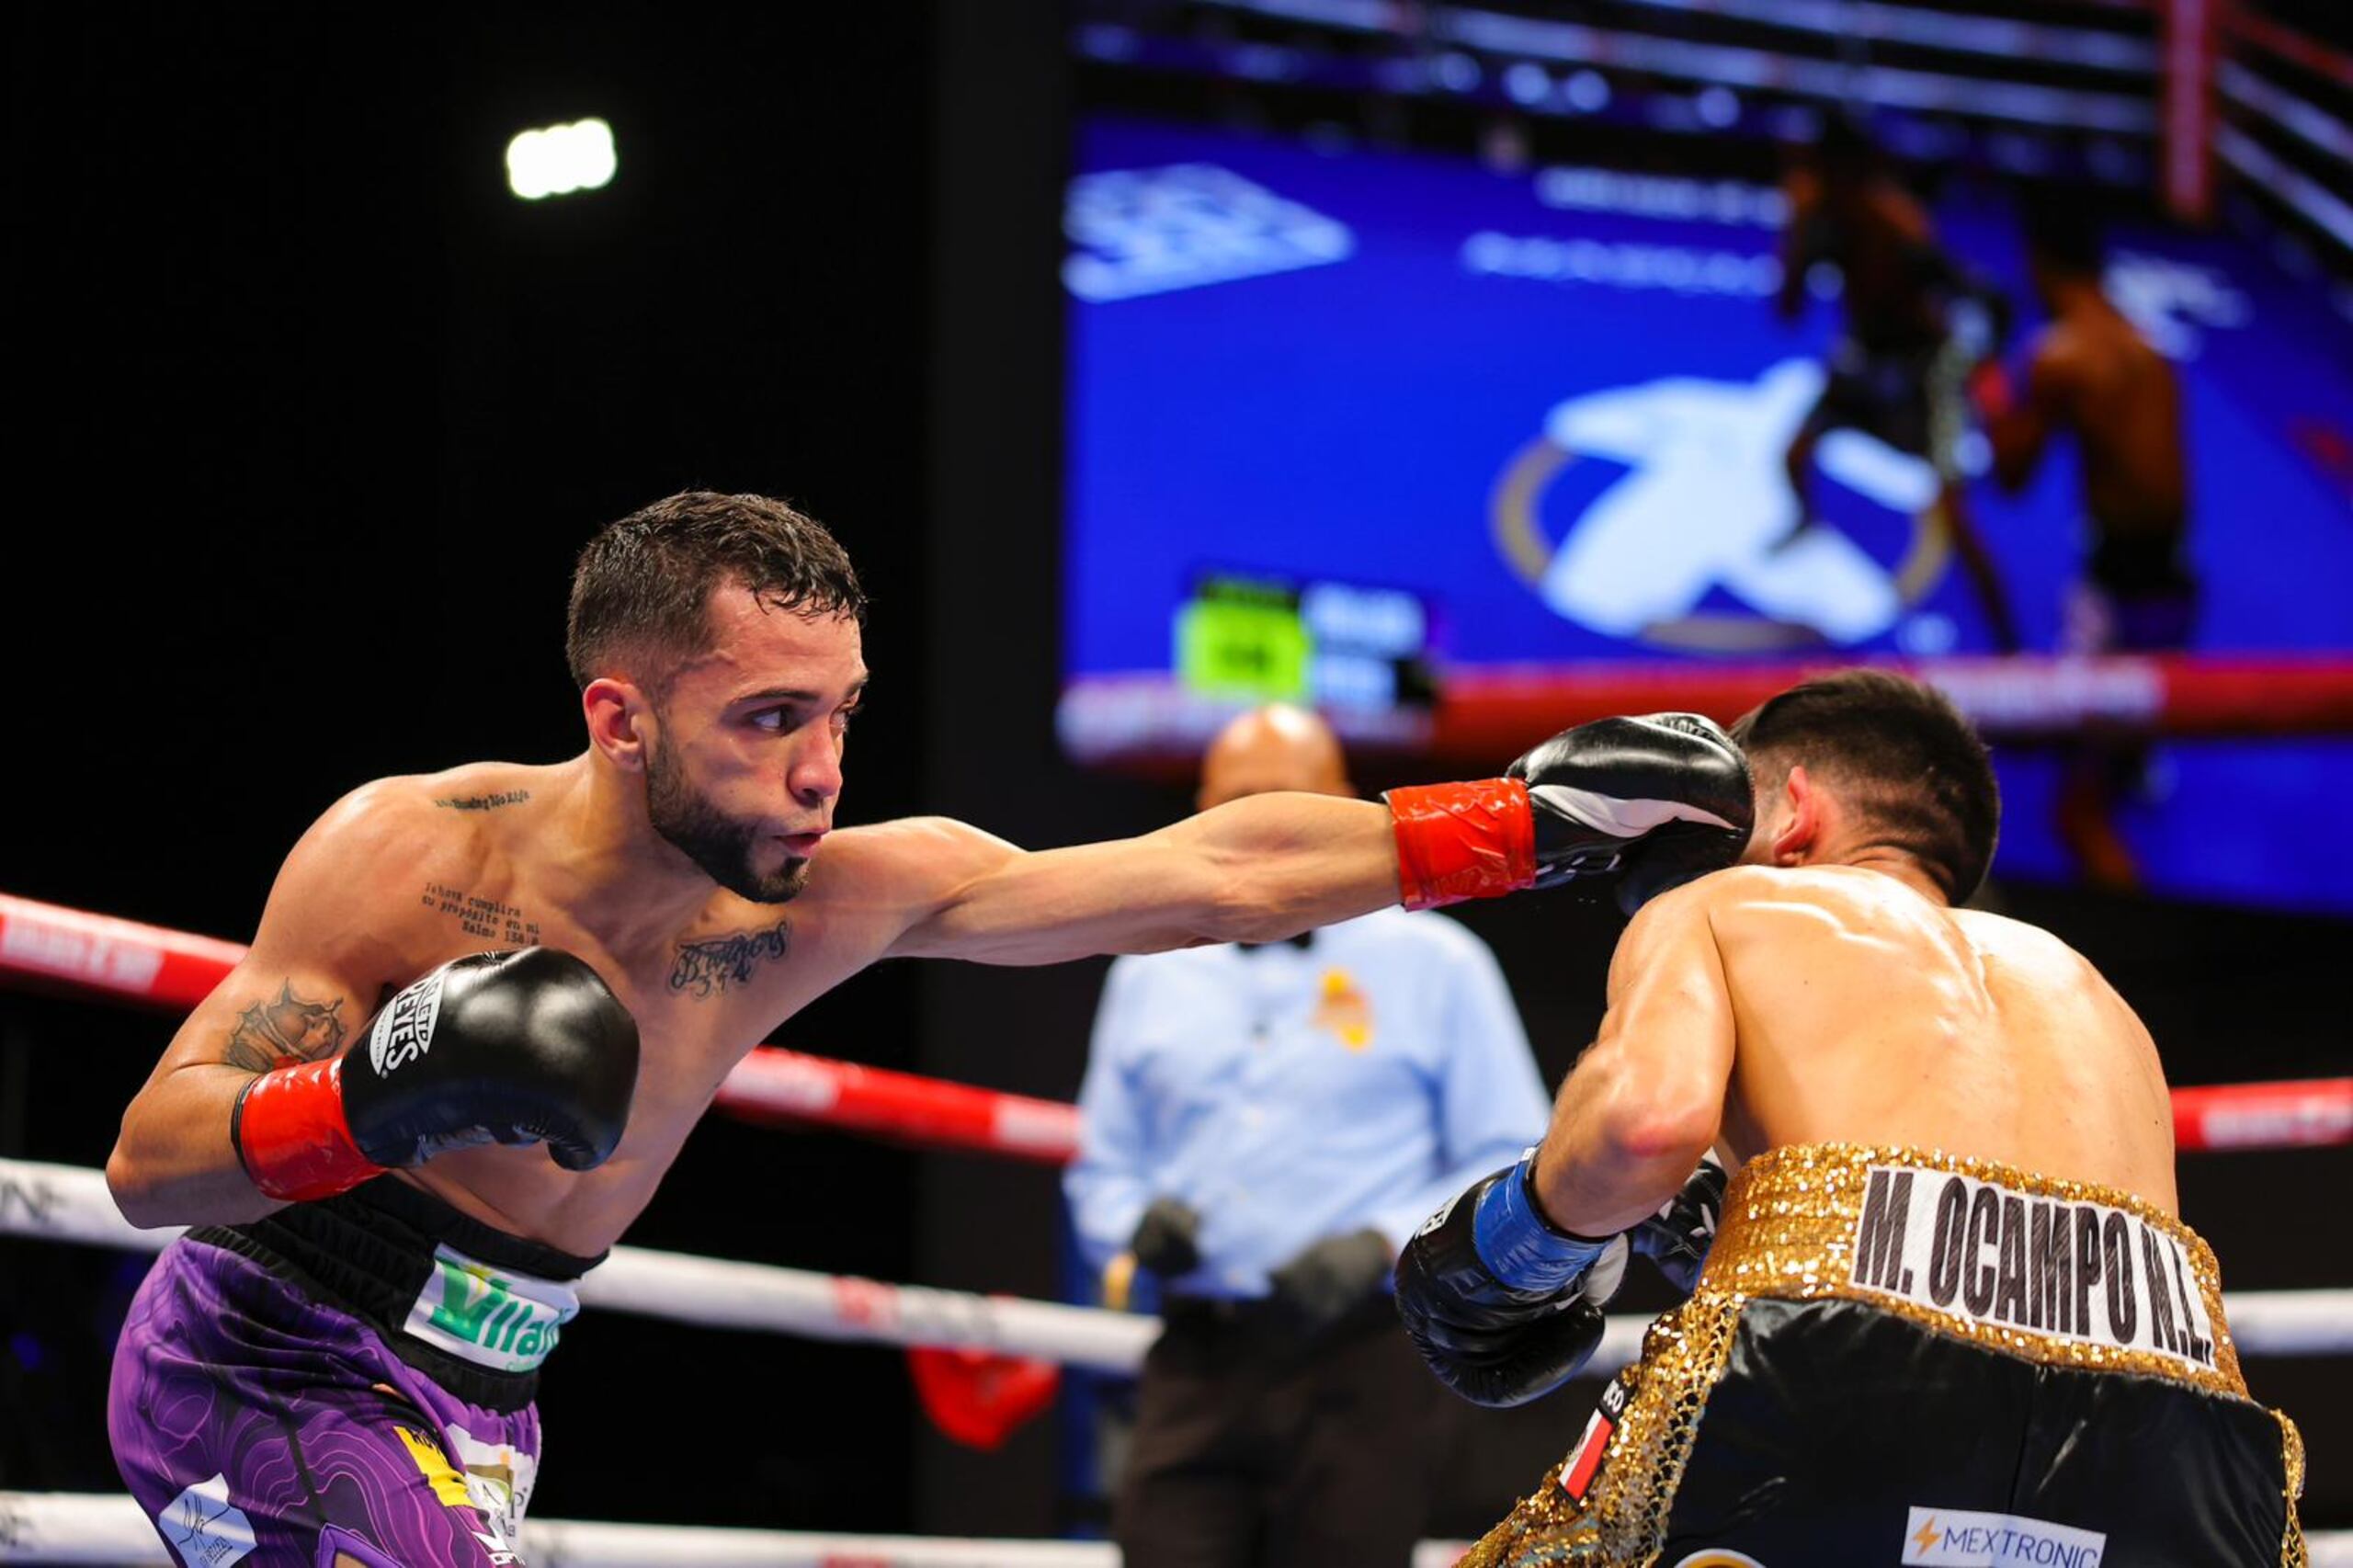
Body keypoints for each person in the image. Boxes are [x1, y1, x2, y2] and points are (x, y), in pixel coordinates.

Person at [101, 490, 1755, 1568]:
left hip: (485, 1392)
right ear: (618, 718)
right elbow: (149, 1166)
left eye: (838, 715)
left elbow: (1213, 867)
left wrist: (1532, 824)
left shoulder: (818, 897)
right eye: (767, 719)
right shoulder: (408, 856)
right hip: (265, 1346)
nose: (820, 769)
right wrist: (373, 1095)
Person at [1394, 669, 2305, 1565]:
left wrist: (1521, 1231)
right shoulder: (2092, 992)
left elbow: (1644, 1126)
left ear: (1792, 810)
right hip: (2176, 1425)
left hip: (1859, 1385)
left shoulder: (1730, 903)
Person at [1067, 704, 1553, 1568]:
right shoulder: (1146, 972)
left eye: (1286, 804)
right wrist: (1135, 1228)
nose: (1262, 832)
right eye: (1240, 803)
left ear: (1340, 805)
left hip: (1366, 1357)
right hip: (1199, 1352)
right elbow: (1106, 1165)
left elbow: (1512, 1154)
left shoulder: (1437, 962)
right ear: (1202, 807)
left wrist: (1384, 1243)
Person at [1973, 199, 2194, 890]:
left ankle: (2151, 975)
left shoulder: (2062, 355)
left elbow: (2011, 476)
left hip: (2118, 598)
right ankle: (2126, 751)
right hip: (2176, 586)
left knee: (2079, 818)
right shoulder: (2146, 344)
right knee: (2105, 737)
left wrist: (1984, 379)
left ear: (2041, 264)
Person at [1777, 114, 2022, 653]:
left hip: (1924, 373)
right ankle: (1806, 524)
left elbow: (1983, 302)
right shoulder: (1822, 216)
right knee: (1793, 455)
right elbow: (1788, 310)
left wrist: (1986, 375)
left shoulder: (1898, 224)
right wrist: (1794, 231)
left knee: (1954, 515)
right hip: (1863, 364)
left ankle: (2010, 646)